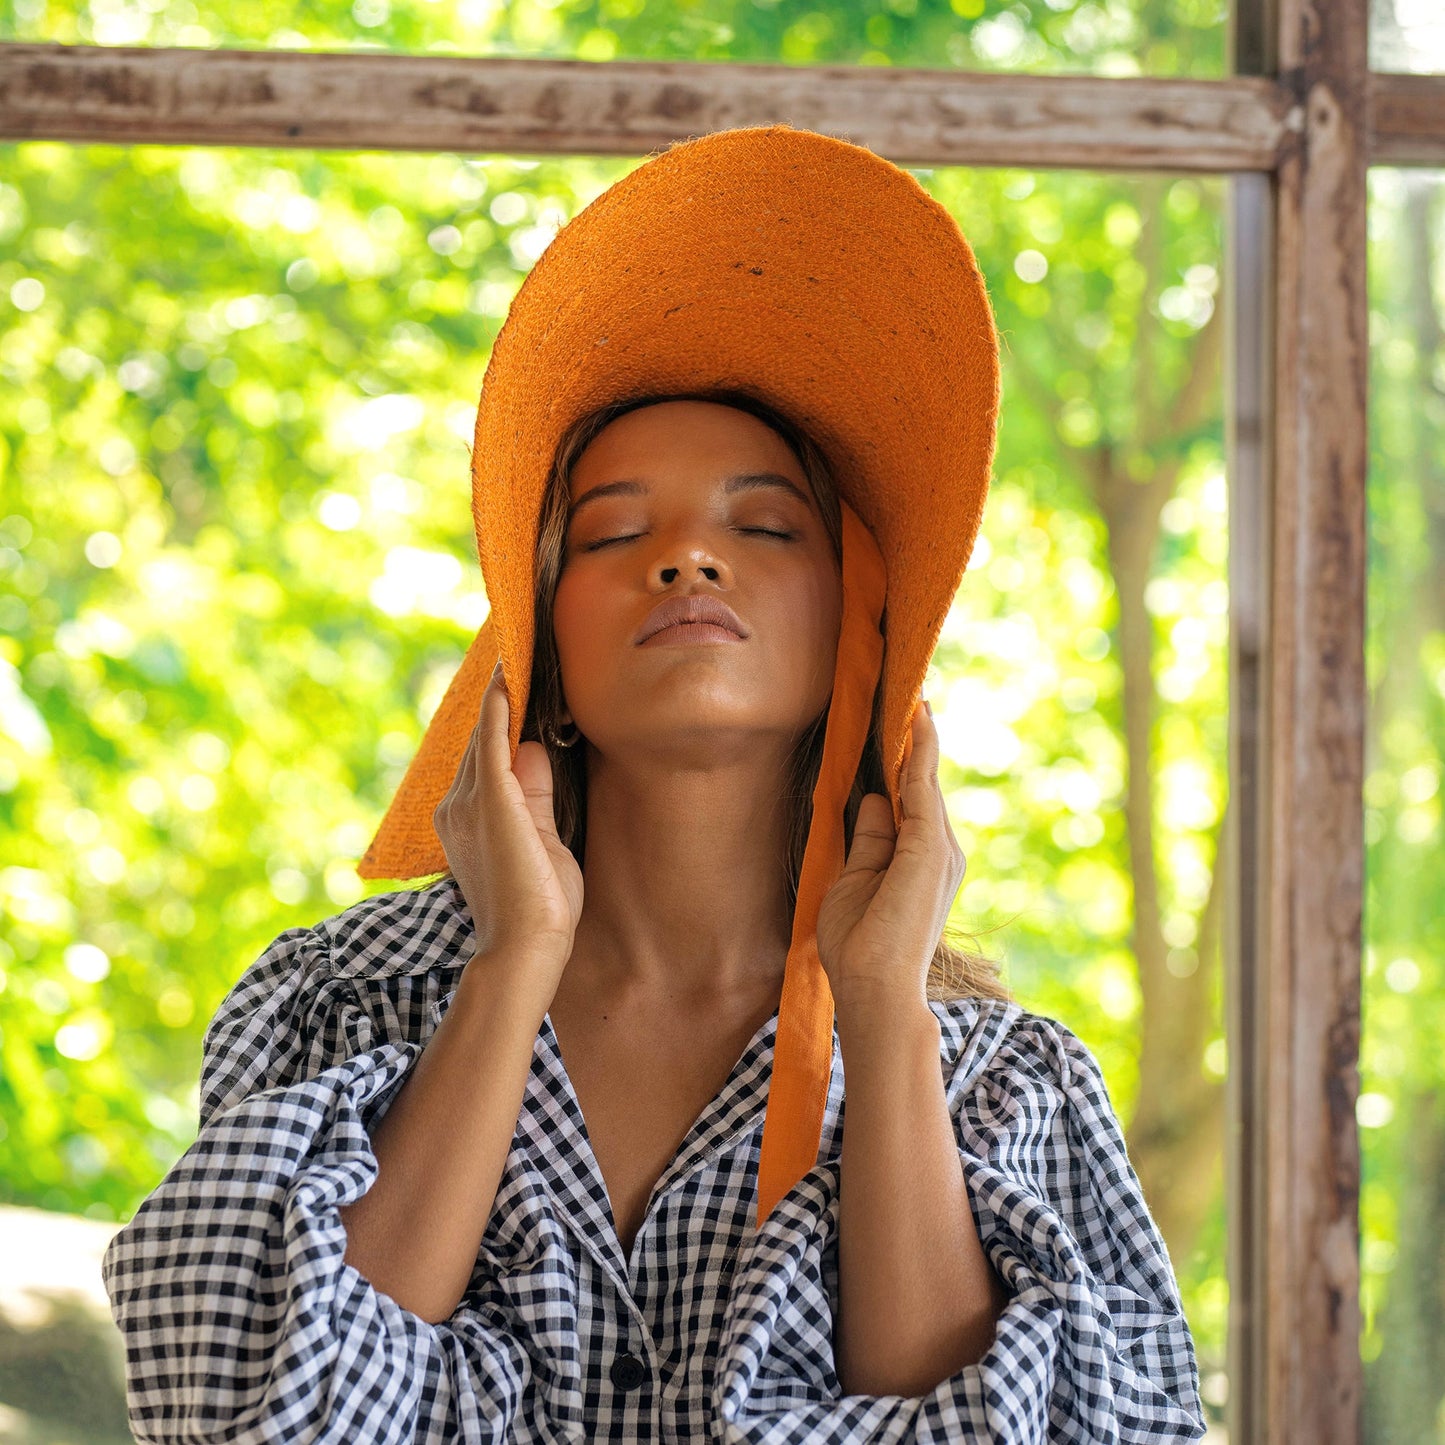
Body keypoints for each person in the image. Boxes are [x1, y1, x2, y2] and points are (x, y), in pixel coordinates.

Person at [102, 124, 1207, 1442]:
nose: (686, 557)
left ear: (863, 627)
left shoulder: (1007, 1086)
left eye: (762, 525)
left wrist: (882, 1012)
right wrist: (511, 962)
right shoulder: (336, 1013)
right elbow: (250, 1426)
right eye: (616, 532)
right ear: (537, 643)